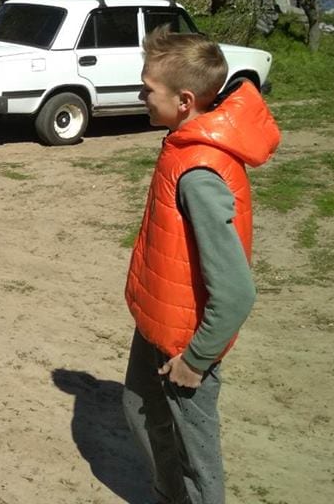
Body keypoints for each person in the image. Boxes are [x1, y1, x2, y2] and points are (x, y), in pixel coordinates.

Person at [122, 27, 280, 503]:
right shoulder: (181, 143)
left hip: (186, 344)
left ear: (185, 99)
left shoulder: (199, 175)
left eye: (148, 88)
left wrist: (196, 359)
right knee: (139, 409)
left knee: (197, 459)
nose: (141, 95)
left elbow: (236, 292)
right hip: (158, 321)